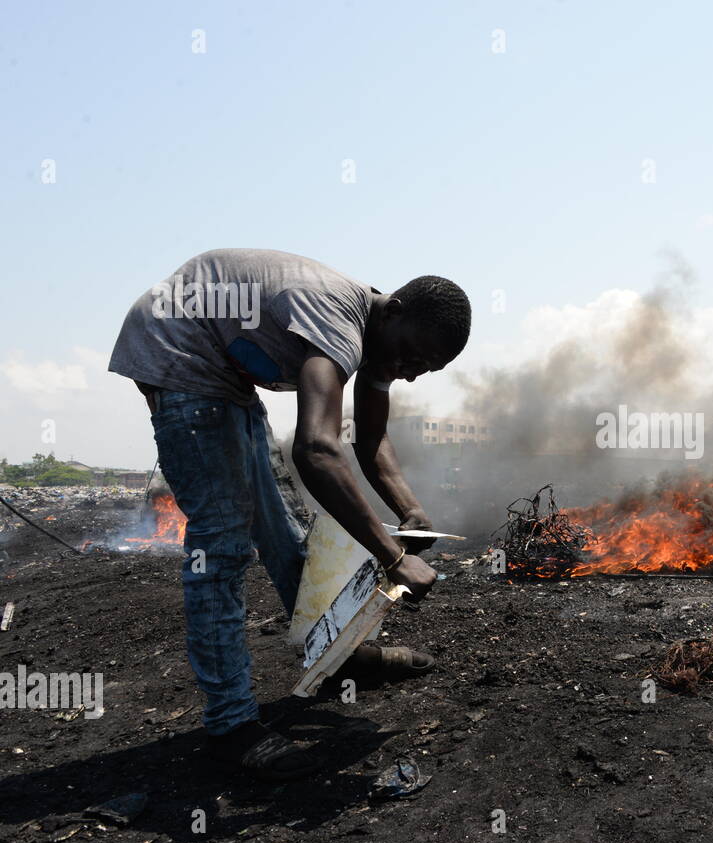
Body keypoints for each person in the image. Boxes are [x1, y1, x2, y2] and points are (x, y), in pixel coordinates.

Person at [108, 248, 470, 781]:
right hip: (180, 348)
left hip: (222, 368)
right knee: (222, 547)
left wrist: (410, 510)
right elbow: (317, 451)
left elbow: (369, 440)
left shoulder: (384, 341)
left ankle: (339, 654)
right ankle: (230, 725)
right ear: (392, 311)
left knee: (283, 536)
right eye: (410, 357)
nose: (408, 373)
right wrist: (392, 556)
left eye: (423, 369)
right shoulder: (341, 326)